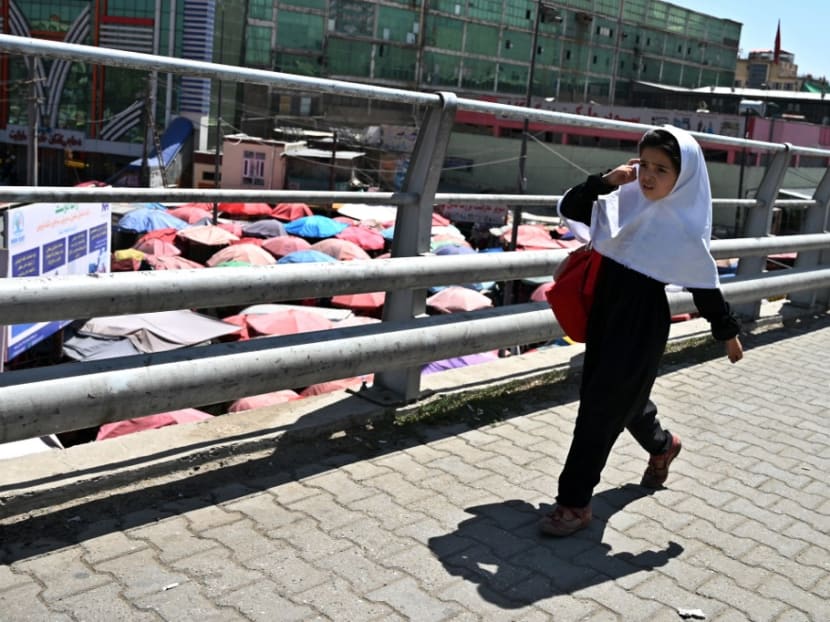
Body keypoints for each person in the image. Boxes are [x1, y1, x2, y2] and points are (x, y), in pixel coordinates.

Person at [539, 125, 744, 537]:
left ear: (683, 176)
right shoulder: (624, 201)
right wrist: (606, 181)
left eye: (662, 170)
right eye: (644, 165)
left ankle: (574, 504)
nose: (648, 176)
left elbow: (705, 285)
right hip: (604, 316)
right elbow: (576, 209)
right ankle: (663, 445)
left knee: (597, 412)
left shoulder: (683, 228)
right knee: (622, 401)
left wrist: (727, 333)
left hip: (640, 327)